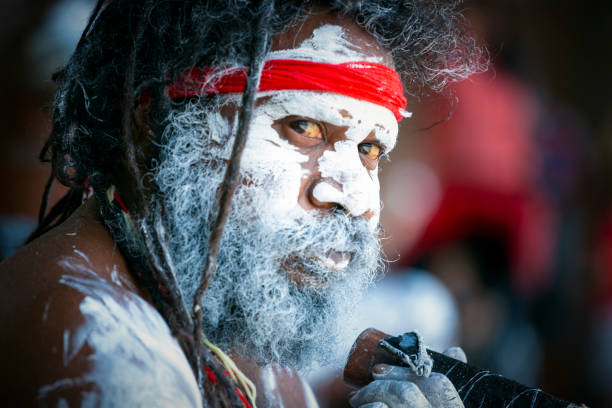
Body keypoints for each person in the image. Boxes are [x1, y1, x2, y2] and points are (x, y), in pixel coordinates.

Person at [0, 1, 483, 406]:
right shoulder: (97, 344)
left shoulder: (231, 335)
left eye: (370, 150)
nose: (354, 199)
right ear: (156, 125)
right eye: (304, 127)